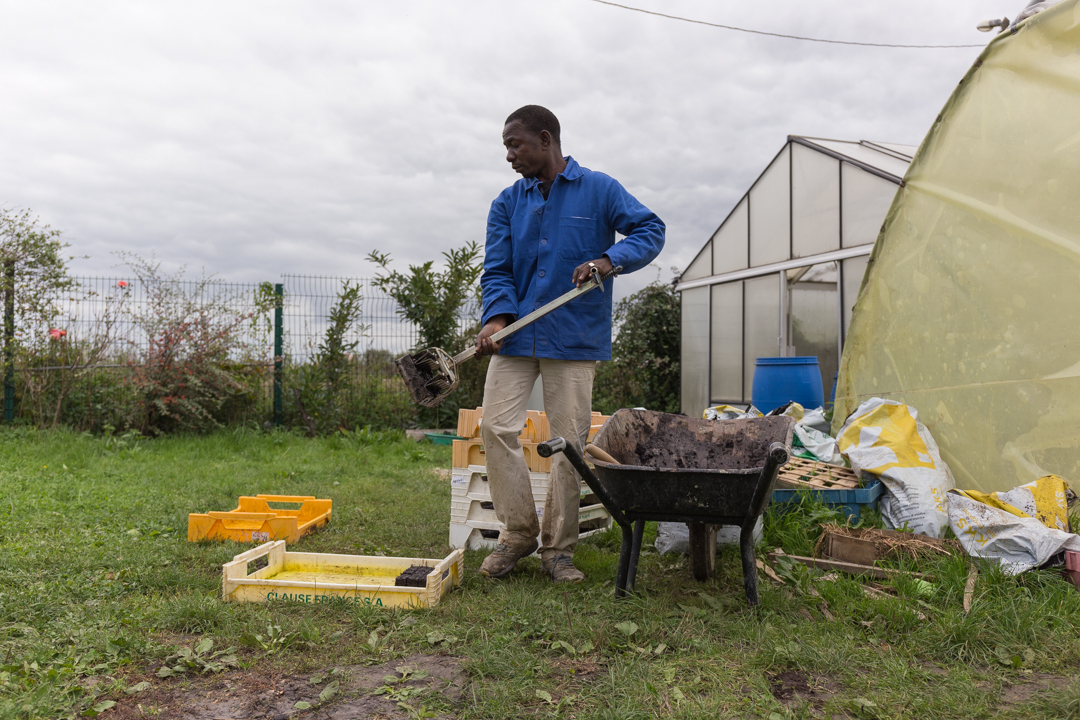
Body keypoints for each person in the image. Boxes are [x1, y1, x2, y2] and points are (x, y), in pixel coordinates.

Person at [475, 105, 665, 583]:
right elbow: (496, 269)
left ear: (545, 139)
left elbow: (650, 230)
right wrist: (497, 318)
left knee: (567, 444)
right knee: (496, 428)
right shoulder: (507, 202)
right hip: (517, 337)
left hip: (575, 338)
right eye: (505, 148)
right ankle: (518, 533)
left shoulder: (598, 189)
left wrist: (607, 259)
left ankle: (558, 550)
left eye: (514, 145)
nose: (509, 156)